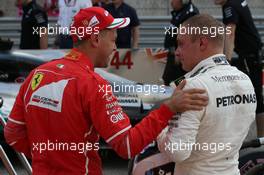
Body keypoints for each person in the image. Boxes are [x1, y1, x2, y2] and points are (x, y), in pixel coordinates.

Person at [4, 7, 208, 174]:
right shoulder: (93, 84)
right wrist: (168, 108)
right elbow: (127, 145)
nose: (115, 47)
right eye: (113, 39)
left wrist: (49, 156)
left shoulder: (36, 74)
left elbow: (12, 134)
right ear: (95, 40)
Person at [157, 14, 256, 175]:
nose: (177, 52)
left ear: (202, 43)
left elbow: (177, 151)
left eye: (181, 44)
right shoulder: (245, 80)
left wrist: (159, 131)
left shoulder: (192, 86)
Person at [215, 0, 264, 137]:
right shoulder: (236, 1)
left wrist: (225, 62)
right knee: (250, 96)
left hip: (249, 57)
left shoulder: (229, 6)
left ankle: (260, 140)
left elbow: (230, 34)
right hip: (251, 55)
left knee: (255, 98)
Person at [162, 0, 199, 86]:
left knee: (178, 83)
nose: (171, 2)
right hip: (173, 54)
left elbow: (188, 37)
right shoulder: (179, 12)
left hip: (180, 56)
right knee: (167, 81)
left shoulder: (190, 13)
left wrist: (179, 52)